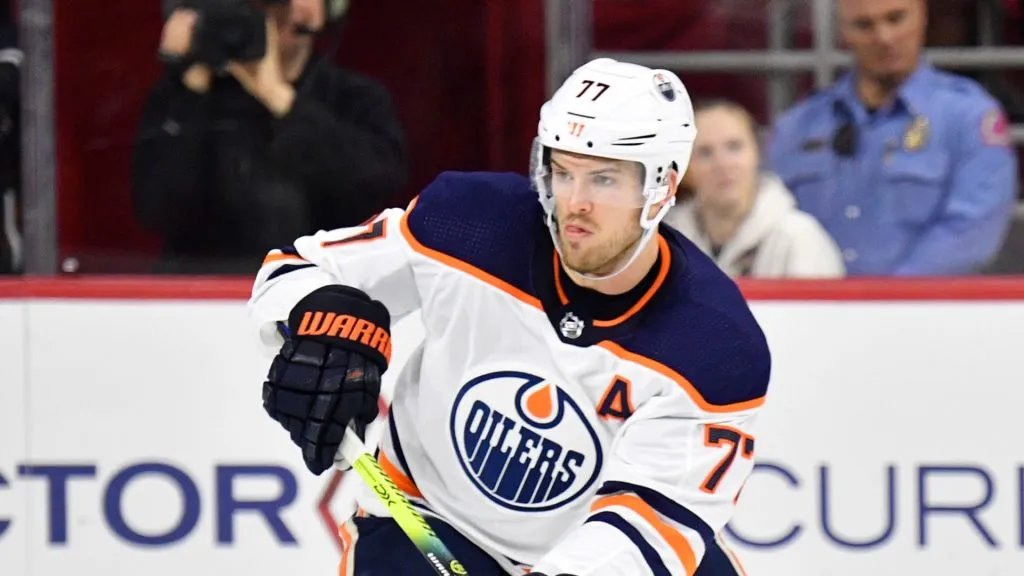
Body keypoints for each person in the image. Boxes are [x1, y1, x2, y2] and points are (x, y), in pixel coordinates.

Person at [248, 58, 770, 575]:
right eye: (563, 173)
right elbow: (296, 268)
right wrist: (321, 323)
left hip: (600, 551)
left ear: (662, 186)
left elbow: (648, 526)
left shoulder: (715, 345)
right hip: (427, 521)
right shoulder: (468, 222)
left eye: (604, 180)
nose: (575, 203)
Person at [132, 0, 408, 274]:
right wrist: (191, 91)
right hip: (201, 289)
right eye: (262, 5)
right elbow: (158, 210)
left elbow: (376, 189)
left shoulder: (356, 98)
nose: (276, 13)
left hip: (318, 287)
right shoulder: (181, 98)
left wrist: (280, 99)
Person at [768, 0, 1018, 276]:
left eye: (896, 18)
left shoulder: (969, 117)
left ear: (922, 16)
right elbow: (767, 222)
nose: (884, 37)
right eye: (864, 25)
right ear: (843, 31)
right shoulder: (798, 127)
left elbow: (971, 232)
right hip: (809, 299)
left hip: (928, 302)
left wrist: (887, 297)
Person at [666, 99, 845, 278]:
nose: (722, 164)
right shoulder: (664, 240)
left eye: (734, 147)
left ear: (757, 153)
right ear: (683, 168)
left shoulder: (800, 239)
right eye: (705, 152)